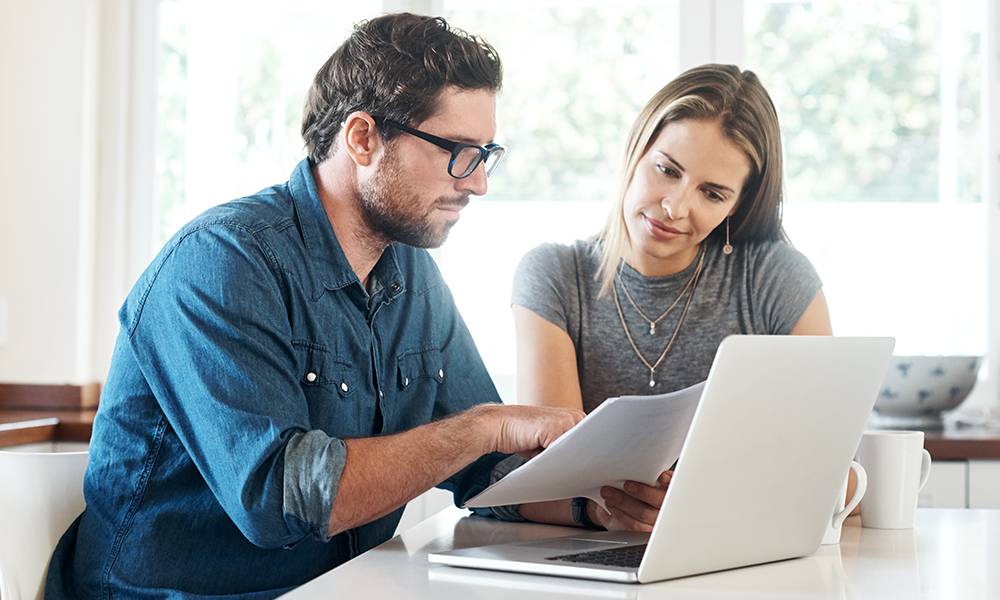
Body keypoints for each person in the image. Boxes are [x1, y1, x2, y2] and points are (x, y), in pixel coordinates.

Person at [45, 13, 591, 600]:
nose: (479, 182)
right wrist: (485, 426)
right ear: (362, 138)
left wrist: (596, 508)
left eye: (486, 153)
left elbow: (486, 469)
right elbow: (280, 500)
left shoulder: (412, 274)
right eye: (458, 151)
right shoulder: (222, 262)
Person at [511, 64, 833, 530]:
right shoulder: (555, 275)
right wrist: (609, 513)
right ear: (635, 148)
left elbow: (831, 467)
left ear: (737, 205)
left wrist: (707, 505)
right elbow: (553, 476)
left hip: (733, 549)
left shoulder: (775, 278)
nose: (675, 207)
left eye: (713, 193)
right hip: (595, 560)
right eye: (667, 169)